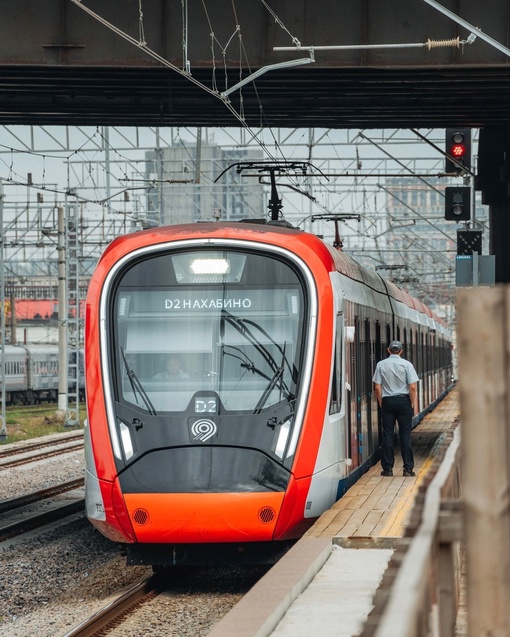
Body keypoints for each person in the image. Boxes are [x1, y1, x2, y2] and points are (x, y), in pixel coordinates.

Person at [372, 340, 419, 478]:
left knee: (387, 435)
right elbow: (412, 387)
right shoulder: (407, 365)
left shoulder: (381, 365)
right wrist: (411, 402)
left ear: (388, 350)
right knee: (405, 435)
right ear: (401, 351)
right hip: (404, 401)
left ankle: (387, 469)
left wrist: (381, 401)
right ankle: (408, 469)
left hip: (388, 402)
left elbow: (377, 386)